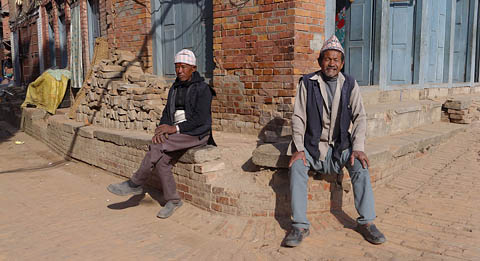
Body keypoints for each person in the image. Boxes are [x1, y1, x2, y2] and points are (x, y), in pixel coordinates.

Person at [285, 35, 386, 247]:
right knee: (296, 167)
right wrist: (299, 149)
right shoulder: (307, 83)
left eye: (336, 60)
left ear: (342, 63)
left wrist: (358, 148)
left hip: (341, 148)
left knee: (361, 165)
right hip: (313, 147)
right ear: (320, 61)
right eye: (327, 59)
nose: (332, 63)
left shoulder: (350, 83)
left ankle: (366, 223)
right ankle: (300, 226)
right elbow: (298, 117)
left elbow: (360, 116)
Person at [107, 49, 216, 219]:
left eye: (183, 67)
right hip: (179, 135)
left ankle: (135, 183)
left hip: (196, 134)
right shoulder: (175, 87)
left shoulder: (203, 89)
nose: (179, 70)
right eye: (177, 66)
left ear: (193, 68)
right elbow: (167, 112)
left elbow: (200, 120)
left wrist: (174, 129)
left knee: (158, 145)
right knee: (162, 162)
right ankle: (173, 201)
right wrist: (162, 127)